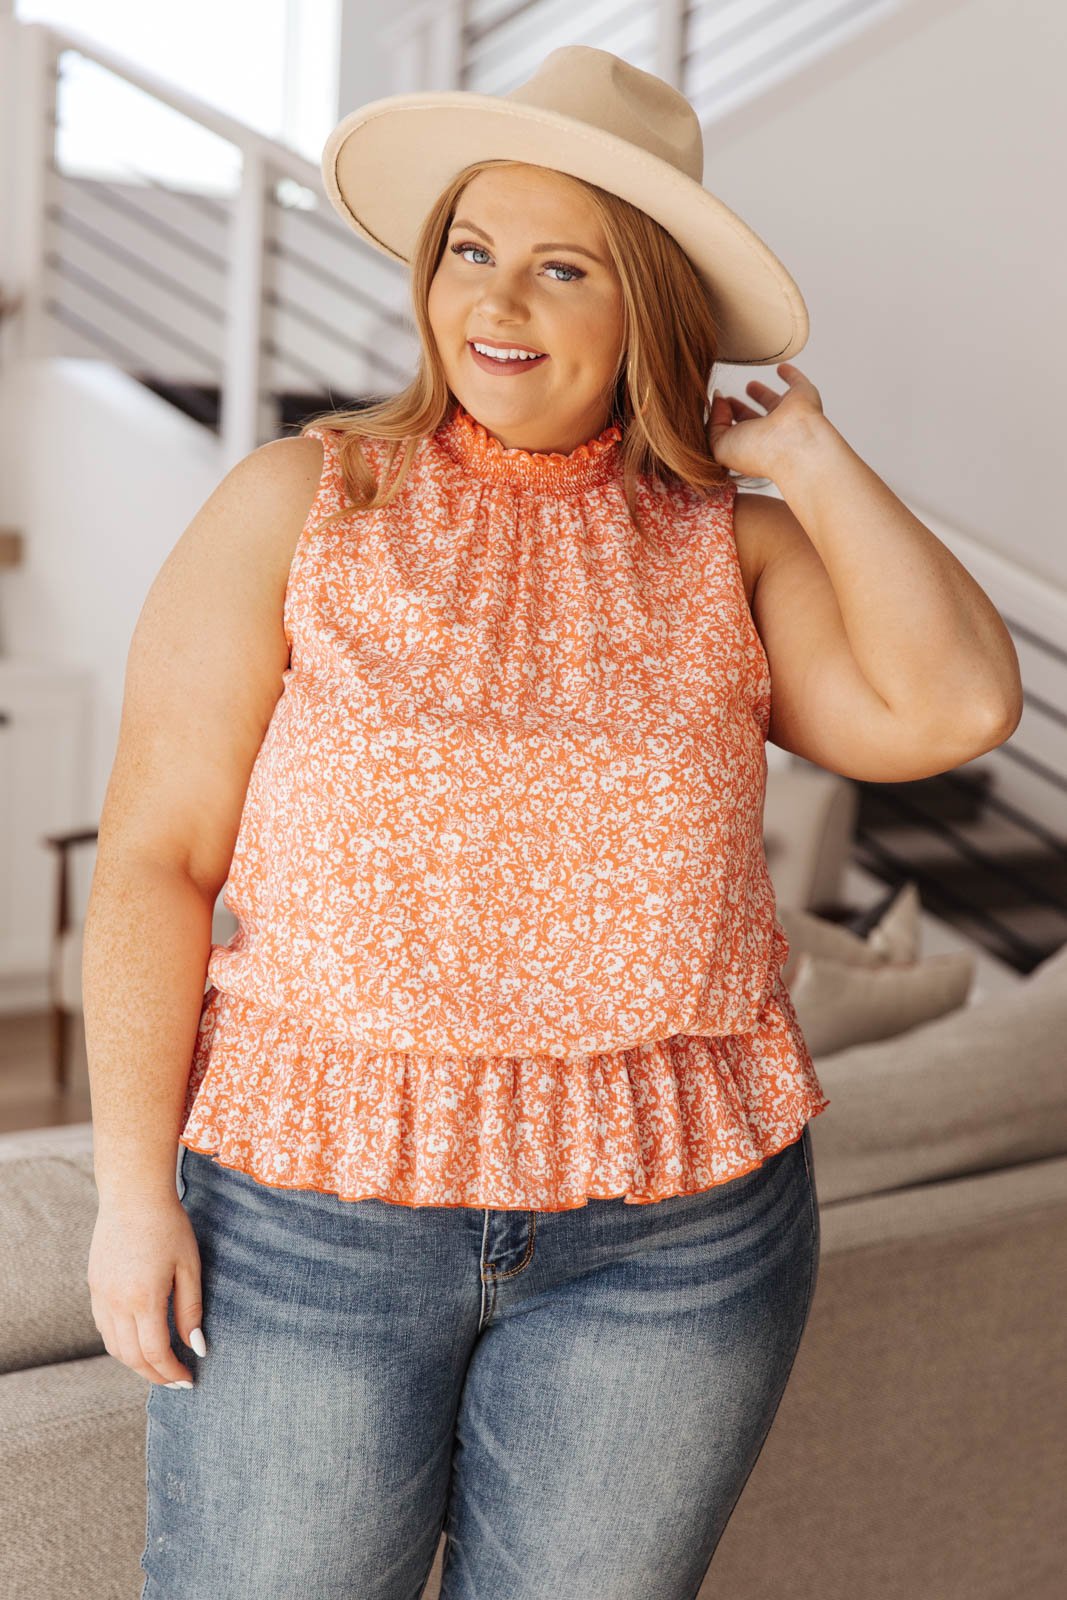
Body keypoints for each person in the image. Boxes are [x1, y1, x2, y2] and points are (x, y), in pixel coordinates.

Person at [83, 45, 1022, 1600]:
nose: (495, 301)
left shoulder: (733, 549)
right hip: (315, 1212)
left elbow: (958, 706)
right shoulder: (299, 504)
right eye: (470, 250)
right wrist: (131, 1198)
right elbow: (155, 861)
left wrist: (807, 455)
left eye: (561, 267)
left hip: (674, 1237)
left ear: (649, 307)